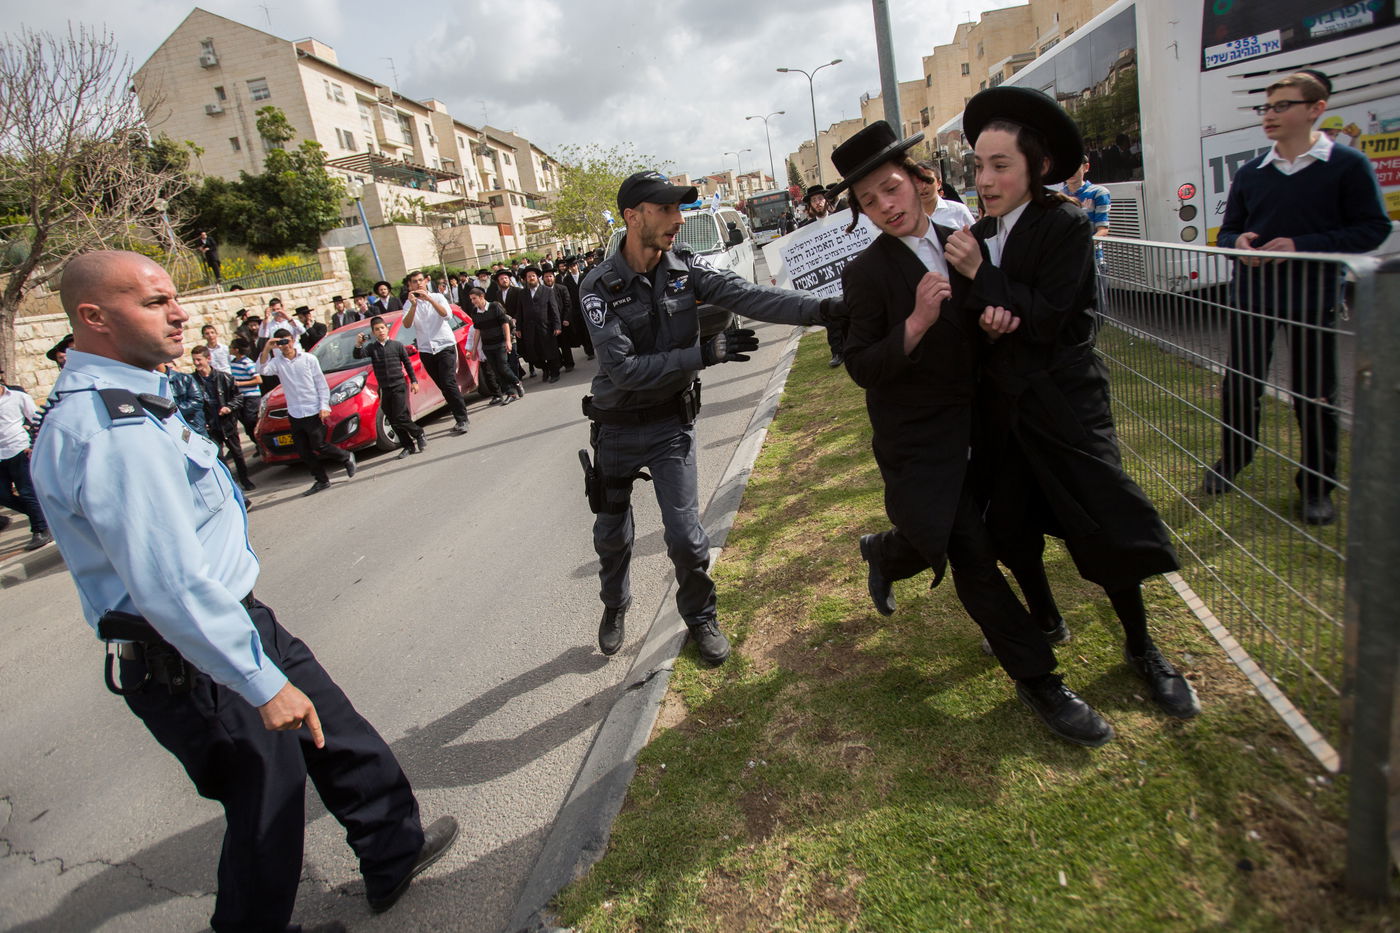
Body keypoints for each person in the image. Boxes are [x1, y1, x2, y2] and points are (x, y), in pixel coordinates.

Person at [31, 251, 458, 933]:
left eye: (175, 297)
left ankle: (392, 847)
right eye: (153, 302)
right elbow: (170, 584)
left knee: (337, 732)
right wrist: (258, 681)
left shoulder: (136, 395)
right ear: (93, 317)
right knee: (268, 801)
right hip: (193, 651)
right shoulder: (110, 428)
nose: (179, 314)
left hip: (234, 621)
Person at [831, 121, 1112, 747]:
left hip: (985, 429)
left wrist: (991, 321)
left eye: (891, 188)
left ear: (913, 180)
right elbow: (862, 366)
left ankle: (889, 552)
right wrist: (915, 323)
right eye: (870, 201)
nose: (886, 207)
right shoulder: (868, 275)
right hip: (920, 443)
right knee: (975, 559)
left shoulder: (966, 240)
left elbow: (995, 322)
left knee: (977, 532)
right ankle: (1042, 683)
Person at [944, 86, 1197, 722]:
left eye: (1001, 164)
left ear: (1037, 166)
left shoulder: (1065, 226)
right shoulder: (975, 236)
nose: (986, 178)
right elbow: (980, 322)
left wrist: (991, 287)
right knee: (1010, 527)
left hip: (1067, 407)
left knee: (1102, 522)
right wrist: (995, 307)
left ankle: (1143, 648)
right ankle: (1045, 618)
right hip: (1004, 416)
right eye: (979, 165)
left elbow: (1055, 317)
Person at [579, 171, 837, 666]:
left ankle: (699, 616)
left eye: (680, 209)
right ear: (634, 218)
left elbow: (749, 296)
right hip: (615, 430)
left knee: (685, 537)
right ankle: (615, 604)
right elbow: (625, 370)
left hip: (670, 426)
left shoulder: (684, 267)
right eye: (667, 210)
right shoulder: (598, 288)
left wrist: (822, 309)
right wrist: (702, 354)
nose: (679, 219)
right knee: (611, 535)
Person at [1206, 70, 1390, 525]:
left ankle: (1316, 486)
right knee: (1241, 385)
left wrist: (1302, 245)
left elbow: (1373, 229)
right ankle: (1233, 461)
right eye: (1266, 107)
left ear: (1315, 108)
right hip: (1252, 295)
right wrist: (1239, 245)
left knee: (1314, 395)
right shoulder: (1251, 172)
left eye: (1281, 106)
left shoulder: (1347, 166)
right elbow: (1229, 231)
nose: (1269, 115)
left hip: (1312, 301)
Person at [259, 327, 357, 495]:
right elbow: (261, 370)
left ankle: (345, 456)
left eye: (287, 341)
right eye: (280, 343)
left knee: (319, 444)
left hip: (312, 408)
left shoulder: (308, 359)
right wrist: (267, 348)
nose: (285, 346)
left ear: (293, 340)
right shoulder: (277, 363)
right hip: (295, 412)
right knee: (303, 450)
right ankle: (321, 480)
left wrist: (324, 406)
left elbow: (320, 382)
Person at [401, 269, 471, 435]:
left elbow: (446, 315)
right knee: (443, 386)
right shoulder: (408, 304)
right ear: (410, 285)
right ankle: (458, 415)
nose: (418, 284)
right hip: (426, 349)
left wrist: (430, 300)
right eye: (414, 282)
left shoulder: (438, 297)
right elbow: (407, 324)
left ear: (425, 281)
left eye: (420, 280)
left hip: (444, 345)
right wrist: (413, 305)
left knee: (448, 382)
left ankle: (462, 418)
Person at [354, 315, 425, 458]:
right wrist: (358, 344)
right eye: (377, 329)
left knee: (400, 416)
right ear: (373, 333)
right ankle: (408, 445)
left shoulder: (396, 345)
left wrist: (414, 381)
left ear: (387, 329)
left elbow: (407, 364)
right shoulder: (372, 348)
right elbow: (358, 355)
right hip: (385, 388)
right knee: (392, 419)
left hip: (398, 385)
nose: (380, 331)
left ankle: (418, 432)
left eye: (382, 328)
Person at [192, 345, 255, 491]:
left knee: (237, 454)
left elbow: (238, 397)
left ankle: (245, 480)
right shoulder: (192, 381)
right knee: (219, 456)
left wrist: (229, 407)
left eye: (199, 360)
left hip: (227, 423)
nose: (196, 363)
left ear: (208, 359)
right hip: (210, 425)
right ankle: (230, 484)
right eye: (194, 360)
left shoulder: (224, 378)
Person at [0, 370, 51, 550]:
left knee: (27, 492)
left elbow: (37, 421)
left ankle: (40, 530)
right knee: (3, 495)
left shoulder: (17, 397)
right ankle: (44, 517)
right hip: (0, 455)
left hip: (19, 448)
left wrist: (34, 445)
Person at [464, 286, 523, 405]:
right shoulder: (475, 312)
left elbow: (505, 324)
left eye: (474, 298)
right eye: (471, 299)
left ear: (482, 297)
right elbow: (477, 331)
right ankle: (510, 393)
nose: (473, 301)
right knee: (496, 371)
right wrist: (474, 349)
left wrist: (508, 341)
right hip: (487, 346)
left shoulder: (495, 306)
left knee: (503, 367)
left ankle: (516, 382)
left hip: (500, 343)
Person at [913, 159, 977, 229]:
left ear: (939, 184)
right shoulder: (907, 218)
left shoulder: (959, 210)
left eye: (928, 181)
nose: (923, 186)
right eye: (918, 182)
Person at [227, 337, 262, 446]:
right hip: (241, 397)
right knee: (246, 424)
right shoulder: (233, 362)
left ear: (236, 350)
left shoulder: (247, 362)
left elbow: (258, 380)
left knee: (251, 421)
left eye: (231, 347)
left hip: (251, 397)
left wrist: (239, 384)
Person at [560, 256, 595, 360]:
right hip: (575, 309)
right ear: (569, 268)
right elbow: (566, 295)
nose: (573, 267)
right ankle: (587, 349)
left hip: (586, 306)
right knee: (580, 329)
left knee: (589, 328)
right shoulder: (566, 280)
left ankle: (592, 348)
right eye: (571, 266)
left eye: (575, 265)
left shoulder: (584, 276)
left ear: (578, 265)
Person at [542, 264, 576, 372]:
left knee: (565, 344)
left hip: (562, 321)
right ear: (543, 278)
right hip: (549, 323)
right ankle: (559, 362)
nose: (549, 278)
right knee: (553, 346)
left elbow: (568, 305)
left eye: (550, 276)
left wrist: (566, 319)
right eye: (546, 277)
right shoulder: (541, 292)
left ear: (554, 277)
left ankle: (569, 363)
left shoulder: (562, 288)